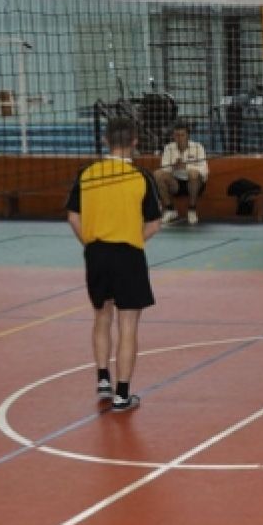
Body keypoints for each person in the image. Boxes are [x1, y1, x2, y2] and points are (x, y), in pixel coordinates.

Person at [66, 117, 163, 413]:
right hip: (128, 254)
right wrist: (130, 239)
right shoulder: (141, 177)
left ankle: (103, 380)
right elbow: (154, 223)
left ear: (106, 140)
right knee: (128, 325)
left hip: (96, 253)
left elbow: (73, 216)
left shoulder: (87, 174)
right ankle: (122, 395)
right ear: (135, 141)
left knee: (101, 317)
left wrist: (91, 244)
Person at [153, 122, 209, 225]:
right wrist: (173, 167)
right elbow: (164, 168)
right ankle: (170, 210)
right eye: (176, 135)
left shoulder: (198, 147)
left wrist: (186, 167)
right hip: (175, 183)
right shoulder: (168, 148)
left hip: (195, 182)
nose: (179, 138)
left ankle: (192, 210)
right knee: (157, 174)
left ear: (188, 135)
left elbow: (204, 170)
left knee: (193, 174)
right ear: (173, 136)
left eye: (182, 135)